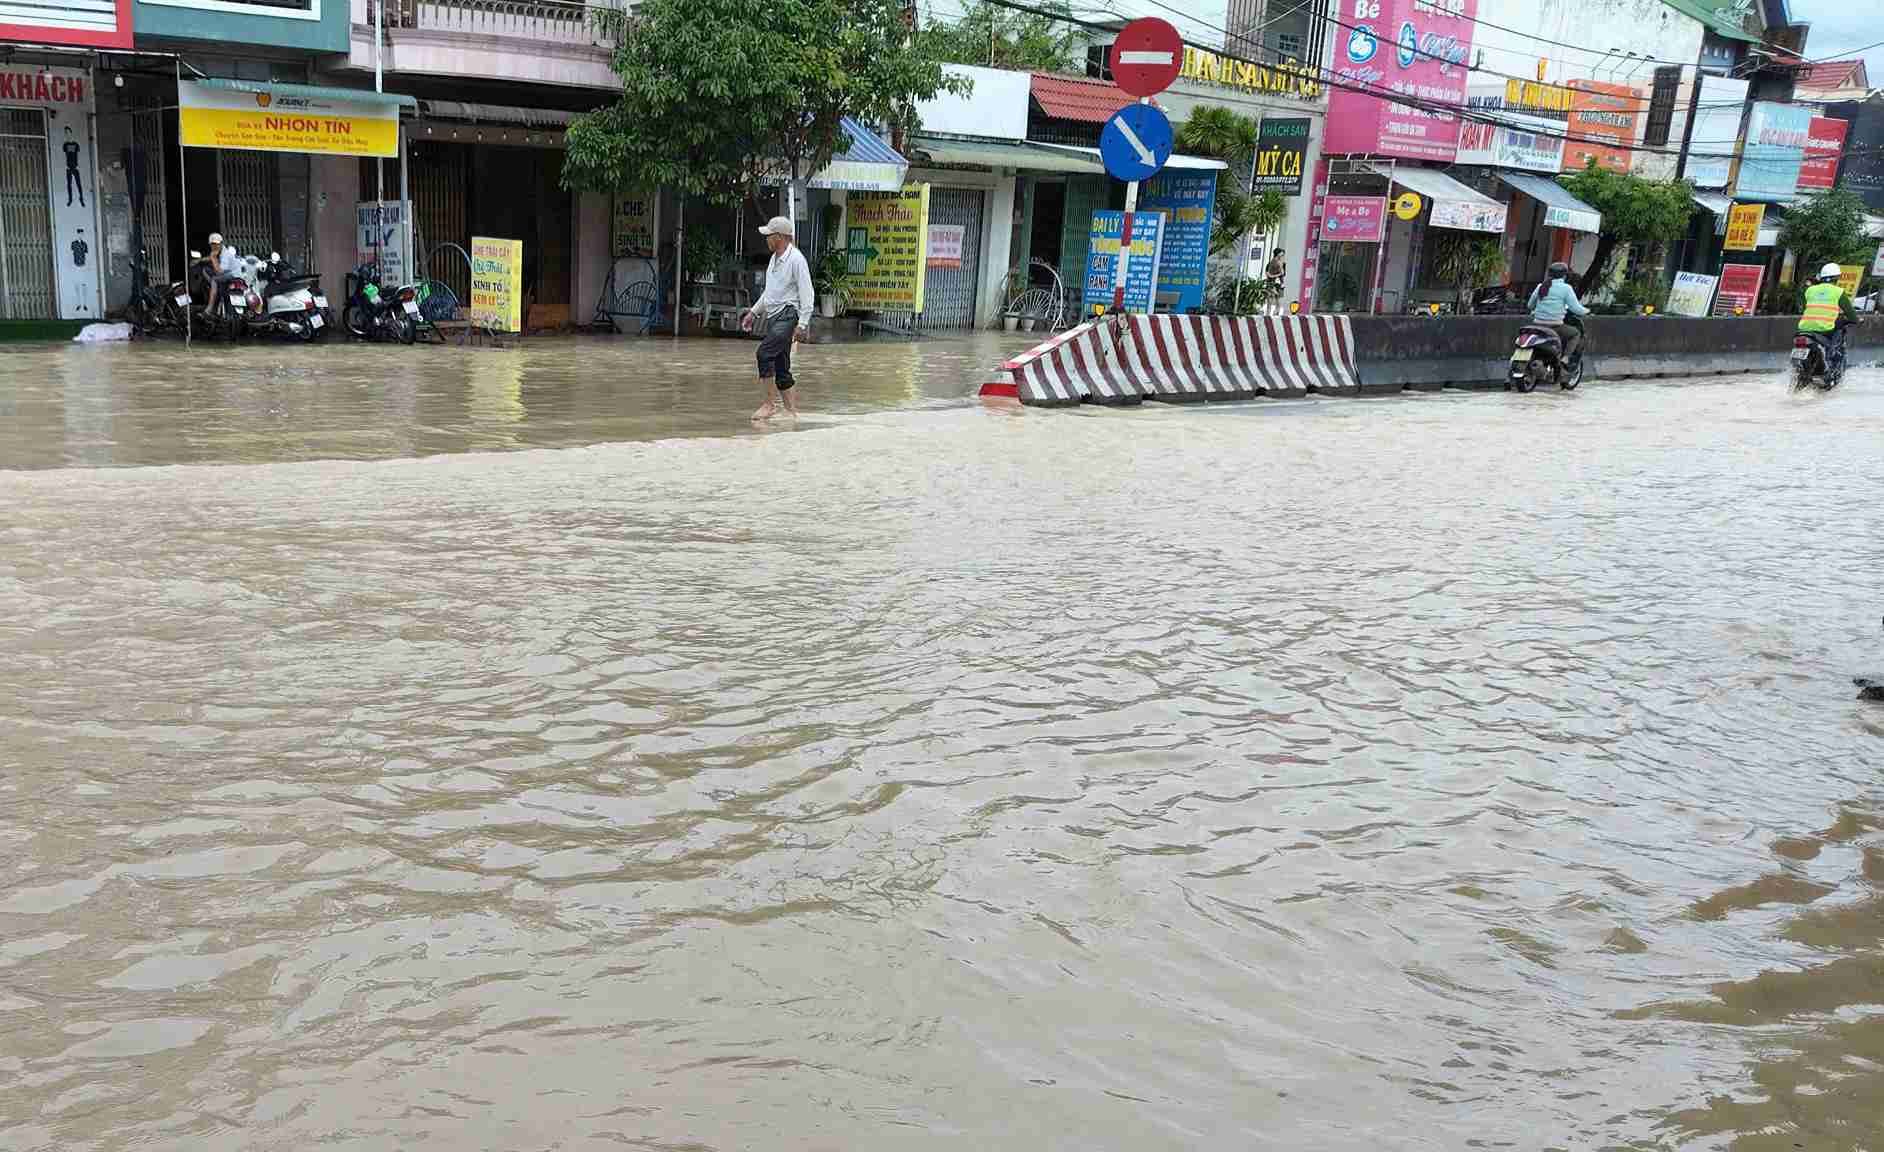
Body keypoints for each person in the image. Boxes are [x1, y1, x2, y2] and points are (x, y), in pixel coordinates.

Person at [742, 215, 815, 421]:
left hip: (788, 314)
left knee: (764, 354)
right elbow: (769, 293)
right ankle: (792, 414)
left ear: (781, 237)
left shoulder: (796, 260)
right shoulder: (774, 260)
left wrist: (802, 324)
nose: (766, 239)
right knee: (782, 365)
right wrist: (753, 313)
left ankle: (769, 405)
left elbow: (807, 293)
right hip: (774, 316)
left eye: (769, 235)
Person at [1799, 262, 1859, 375]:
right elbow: (1850, 312)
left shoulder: (1810, 290)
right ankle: (1831, 361)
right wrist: (1855, 320)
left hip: (1804, 328)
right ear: (1836, 278)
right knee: (1838, 333)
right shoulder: (1838, 291)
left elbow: (1804, 307)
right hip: (1824, 329)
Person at [1527, 261, 1589, 365]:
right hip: (1554, 326)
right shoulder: (1566, 288)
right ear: (1564, 275)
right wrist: (1587, 311)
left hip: (1537, 325)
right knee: (1575, 333)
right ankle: (1565, 357)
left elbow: (1530, 305)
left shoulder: (1541, 286)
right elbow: (1576, 308)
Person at [202, 233, 241, 314]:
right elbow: (209, 259)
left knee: (214, 280)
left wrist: (213, 258)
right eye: (213, 244)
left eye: (217, 244)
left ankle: (210, 307)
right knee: (205, 270)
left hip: (233, 275)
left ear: (221, 243)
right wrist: (199, 260)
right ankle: (216, 291)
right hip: (231, 274)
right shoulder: (220, 252)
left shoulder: (225, 254)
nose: (215, 246)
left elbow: (219, 271)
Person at [62, 127, 83, 207]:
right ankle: (70, 199)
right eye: (65, 133)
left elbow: (78, 155)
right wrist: (65, 166)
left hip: (75, 167)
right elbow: (65, 156)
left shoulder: (75, 144)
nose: (67, 134)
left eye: (68, 132)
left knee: (78, 184)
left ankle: (81, 198)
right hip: (68, 167)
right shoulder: (65, 145)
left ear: (71, 133)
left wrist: (79, 166)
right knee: (69, 184)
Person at [1263, 249, 1285, 316]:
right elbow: (1268, 274)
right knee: (1271, 300)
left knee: (1277, 300)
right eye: (1281, 254)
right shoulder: (1272, 263)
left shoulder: (1281, 263)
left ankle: (1274, 314)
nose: (1282, 256)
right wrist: (1278, 275)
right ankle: (1269, 314)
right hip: (1272, 283)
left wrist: (1282, 282)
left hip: (1277, 283)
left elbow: (1282, 274)